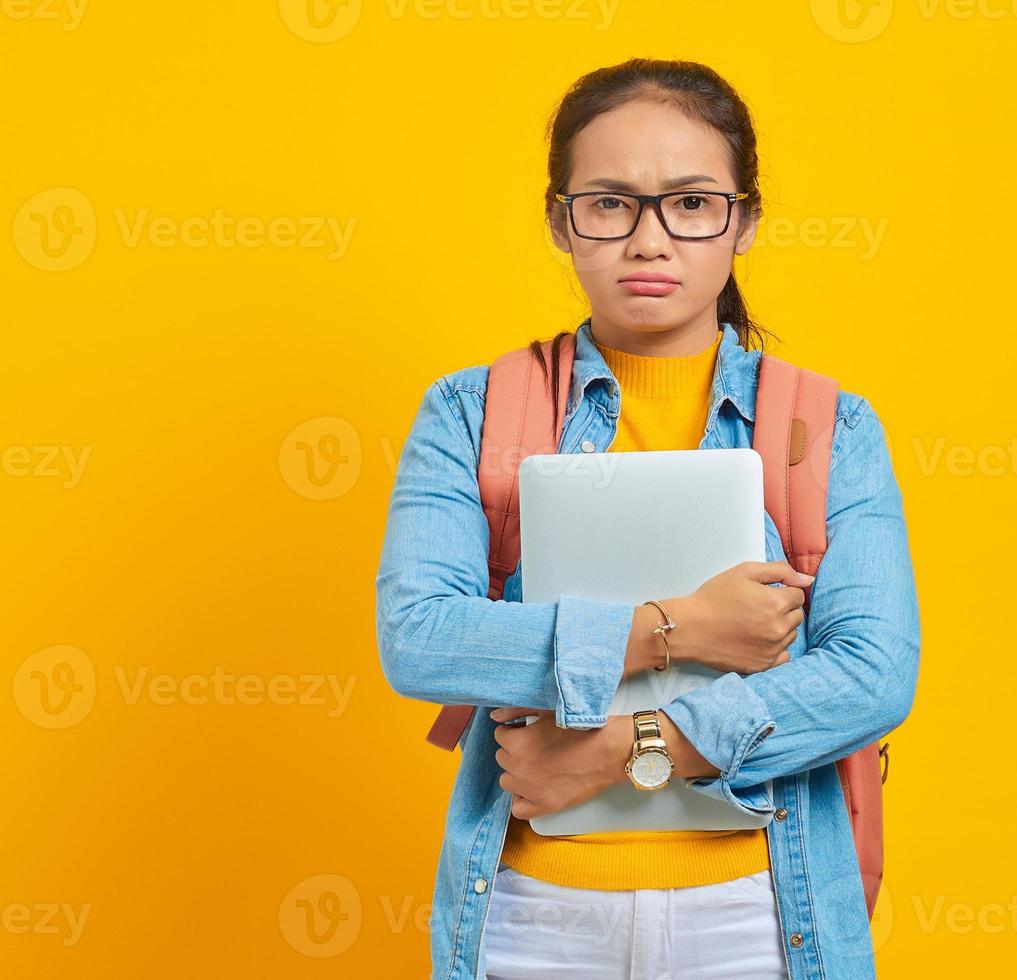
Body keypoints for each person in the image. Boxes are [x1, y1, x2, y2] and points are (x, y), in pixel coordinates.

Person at [376, 57, 920, 980]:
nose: (651, 240)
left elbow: (873, 675)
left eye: (692, 203)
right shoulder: (469, 413)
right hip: (530, 917)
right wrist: (669, 631)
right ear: (562, 219)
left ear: (741, 221)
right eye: (610, 203)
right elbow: (419, 639)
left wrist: (617, 751)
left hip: (760, 915)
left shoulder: (828, 428)